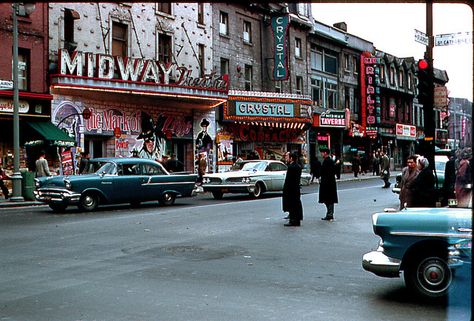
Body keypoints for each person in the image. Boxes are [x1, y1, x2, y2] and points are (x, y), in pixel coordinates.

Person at [282, 152, 303, 227]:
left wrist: (285, 188)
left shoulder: (291, 167)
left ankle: (292, 220)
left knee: (292, 205)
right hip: (296, 187)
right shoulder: (298, 166)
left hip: (291, 188)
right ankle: (297, 220)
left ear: (291, 158)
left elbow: (288, 179)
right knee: (296, 204)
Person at [319, 148, 338, 221]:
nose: (321, 154)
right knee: (327, 199)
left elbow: (329, 172)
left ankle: (330, 214)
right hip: (326, 182)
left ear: (326, 153)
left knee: (329, 199)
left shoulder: (329, 161)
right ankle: (329, 213)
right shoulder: (326, 161)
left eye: (322, 153)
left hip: (328, 183)